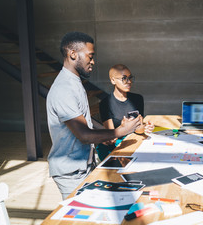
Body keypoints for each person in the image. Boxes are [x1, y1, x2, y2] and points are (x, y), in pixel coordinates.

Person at [46, 32, 141, 199]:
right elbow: (83, 135)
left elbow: (84, 120)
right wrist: (119, 131)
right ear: (73, 54)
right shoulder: (64, 89)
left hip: (84, 166)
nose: (93, 61)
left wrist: (104, 132)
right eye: (90, 56)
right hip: (71, 172)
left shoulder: (74, 83)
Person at [97, 64, 154, 160]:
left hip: (134, 142)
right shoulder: (106, 103)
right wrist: (123, 128)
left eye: (130, 78)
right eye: (124, 78)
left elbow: (138, 129)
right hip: (115, 149)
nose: (129, 82)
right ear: (113, 80)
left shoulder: (137, 99)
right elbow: (111, 139)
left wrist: (145, 127)